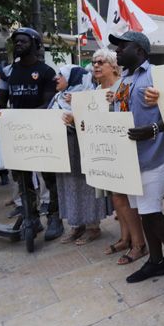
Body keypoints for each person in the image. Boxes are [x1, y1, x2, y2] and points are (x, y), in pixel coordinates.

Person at [110, 31, 164, 297]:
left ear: (141, 50)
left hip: (155, 157)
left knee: (152, 214)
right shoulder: (123, 80)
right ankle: (157, 262)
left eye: (123, 46)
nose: (117, 51)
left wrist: (154, 129)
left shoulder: (157, 75)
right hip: (130, 160)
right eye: (117, 47)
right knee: (144, 214)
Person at [0, 28, 64, 241]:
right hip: (18, 132)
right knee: (22, 177)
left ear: (35, 44)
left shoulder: (46, 71)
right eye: (15, 42)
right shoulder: (8, 72)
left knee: (49, 177)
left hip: (42, 130)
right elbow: (1, 101)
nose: (18, 45)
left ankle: (54, 217)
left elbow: (48, 102)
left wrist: (24, 116)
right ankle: (30, 217)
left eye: (23, 41)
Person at [91, 48, 146, 264]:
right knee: (116, 198)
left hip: (123, 148)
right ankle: (126, 238)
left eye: (100, 61)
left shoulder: (123, 85)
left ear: (113, 65)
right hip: (104, 149)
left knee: (124, 198)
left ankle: (139, 243)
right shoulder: (94, 89)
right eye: (94, 62)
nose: (95, 65)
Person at [51, 65, 107, 246]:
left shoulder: (88, 96)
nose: (56, 78)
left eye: (61, 75)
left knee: (86, 185)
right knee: (68, 184)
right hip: (64, 149)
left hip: (82, 146)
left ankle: (92, 226)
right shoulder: (58, 98)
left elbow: (95, 121)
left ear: (73, 78)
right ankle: (76, 225)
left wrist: (77, 108)